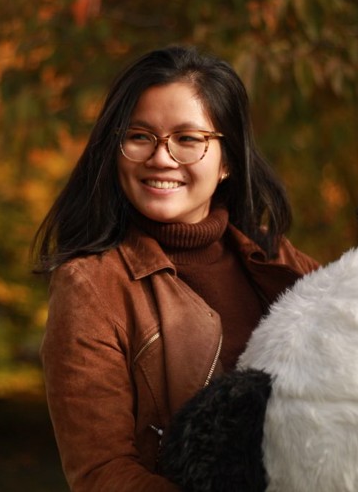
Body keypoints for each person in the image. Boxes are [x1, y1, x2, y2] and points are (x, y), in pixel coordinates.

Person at [33, 45, 319, 491]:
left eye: (188, 139)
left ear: (227, 161)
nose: (161, 158)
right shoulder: (91, 287)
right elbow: (102, 475)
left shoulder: (276, 259)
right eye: (140, 136)